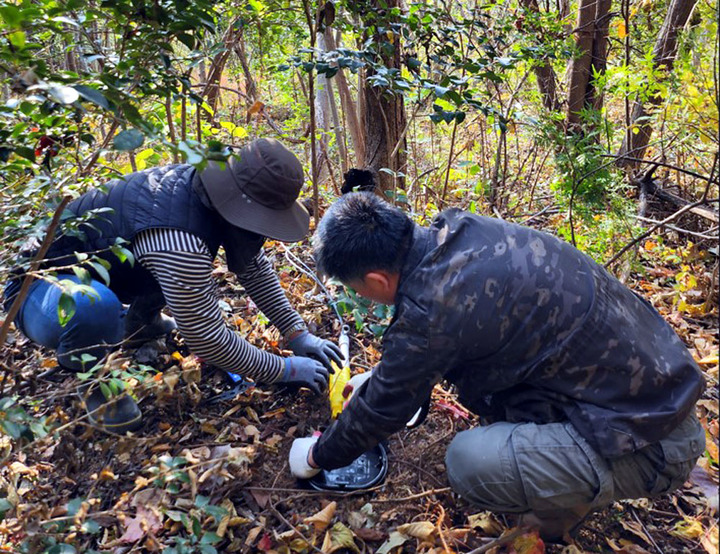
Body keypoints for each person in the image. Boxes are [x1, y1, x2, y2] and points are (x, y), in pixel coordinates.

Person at [288, 192, 705, 540]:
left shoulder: (431, 310)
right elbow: (435, 354)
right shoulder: (459, 232)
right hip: (658, 391)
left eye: (358, 288)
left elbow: (386, 408)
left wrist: (318, 456)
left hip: (655, 441)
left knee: (470, 460)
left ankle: (563, 510)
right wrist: (383, 380)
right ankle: (568, 475)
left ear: (376, 280)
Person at [4, 138, 342, 433]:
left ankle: (141, 325)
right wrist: (282, 369)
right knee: (95, 307)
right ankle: (93, 380)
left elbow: (253, 266)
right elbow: (206, 337)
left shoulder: (207, 193)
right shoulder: (180, 240)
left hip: (106, 270)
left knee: (154, 275)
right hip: (37, 290)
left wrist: (297, 334)